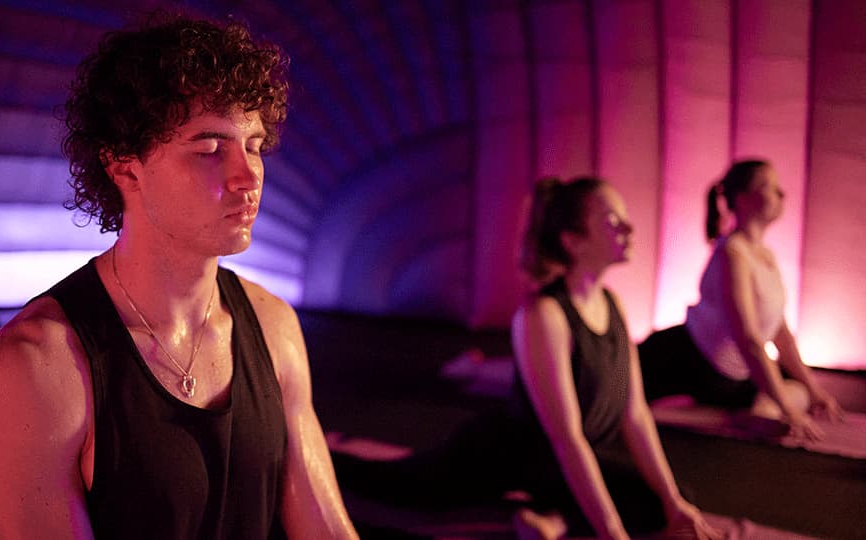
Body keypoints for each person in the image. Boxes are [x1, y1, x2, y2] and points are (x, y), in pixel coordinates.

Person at [0, 12, 358, 540]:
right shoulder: (31, 367)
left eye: (254, 145)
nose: (248, 178)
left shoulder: (274, 325)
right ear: (125, 167)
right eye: (210, 149)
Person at [333, 178, 720, 540]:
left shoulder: (613, 304)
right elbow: (566, 438)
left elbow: (634, 413)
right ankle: (325, 454)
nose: (628, 229)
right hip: (505, 456)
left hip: (559, 462)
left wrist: (673, 501)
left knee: (668, 500)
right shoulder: (544, 315)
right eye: (611, 221)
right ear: (573, 241)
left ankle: (553, 519)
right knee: (391, 484)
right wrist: (613, 533)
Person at [638, 160, 844, 441]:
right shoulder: (732, 254)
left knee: (799, 391)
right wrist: (786, 408)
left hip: (730, 376)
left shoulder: (764, 256)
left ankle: (750, 414)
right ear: (744, 199)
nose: (780, 194)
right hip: (688, 359)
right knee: (618, 385)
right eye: (769, 187)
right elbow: (748, 337)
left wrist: (815, 390)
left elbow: (780, 333)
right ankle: (750, 414)